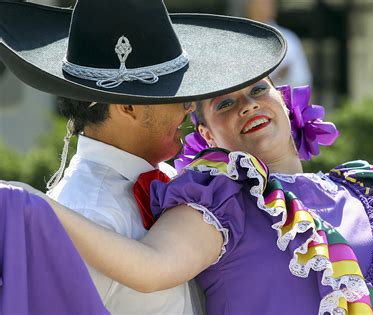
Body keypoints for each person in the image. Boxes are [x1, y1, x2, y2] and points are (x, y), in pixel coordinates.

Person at [5, 78, 373, 315]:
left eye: (258, 90)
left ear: (286, 103)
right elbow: (149, 270)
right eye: (224, 104)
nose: (248, 104)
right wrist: (36, 204)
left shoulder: (362, 192)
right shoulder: (219, 197)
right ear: (206, 133)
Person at [0, 0, 286, 313]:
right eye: (173, 96)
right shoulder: (87, 213)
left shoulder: (181, 183)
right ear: (128, 107)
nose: (189, 107)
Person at [245, 0, 313, 87]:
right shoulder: (239, 39)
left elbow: (285, 70)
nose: (262, 8)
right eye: (258, 3)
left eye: (266, 4)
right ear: (248, 7)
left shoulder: (287, 38)